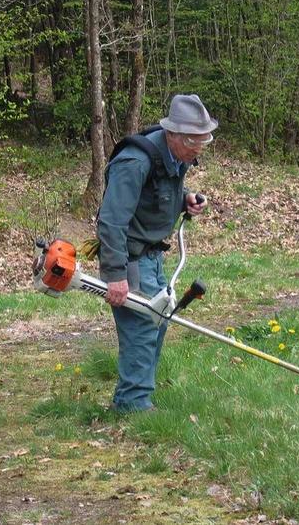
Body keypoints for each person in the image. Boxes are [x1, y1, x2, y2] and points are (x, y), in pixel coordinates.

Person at [97, 94, 218, 412]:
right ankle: (132, 405)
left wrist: (185, 199)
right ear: (175, 135)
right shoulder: (135, 162)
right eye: (195, 143)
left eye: (203, 142)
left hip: (151, 257)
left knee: (158, 321)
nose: (198, 151)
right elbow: (110, 221)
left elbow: (154, 196)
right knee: (143, 326)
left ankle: (133, 397)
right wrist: (115, 274)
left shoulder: (175, 156)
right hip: (131, 259)